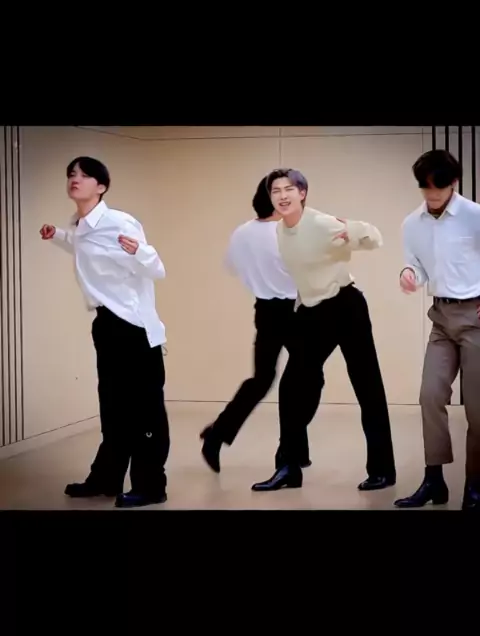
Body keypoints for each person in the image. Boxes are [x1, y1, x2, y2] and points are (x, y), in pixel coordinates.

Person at [251, 168, 396, 492]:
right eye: (276, 191)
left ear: (302, 193)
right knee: (291, 387)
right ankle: (289, 467)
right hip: (313, 311)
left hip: (346, 307)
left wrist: (352, 230)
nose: (282, 196)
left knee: (367, 387)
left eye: (289, 189)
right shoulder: (280, 231)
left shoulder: (319, 222)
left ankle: (383, 470)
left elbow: (374, 237)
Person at [40, 156, 170, 509]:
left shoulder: (118, 222)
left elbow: (157, 269)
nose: (75, 179)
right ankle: (106, 478)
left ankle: (151, 485)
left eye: (84, 175)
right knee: (113, 408)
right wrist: (58, 236)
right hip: (107, 324)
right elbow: (84, 245)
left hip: (134, 326)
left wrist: (141, 252)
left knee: (145, 412)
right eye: (71, 174)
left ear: (101, 186)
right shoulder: (81, 224)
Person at [200, 176, 312, 473]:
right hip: (294, 311)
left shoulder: (242, 232)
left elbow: (231, 266)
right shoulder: (284, 232)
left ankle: (218, 433)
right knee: (307, 378)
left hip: (264, 310)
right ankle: (293, 449)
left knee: (262, 379)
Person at [394, 149, 480, 511]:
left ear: (453, 183)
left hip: (476, 316)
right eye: (425, 187)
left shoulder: (474, 216)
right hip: (441, 318)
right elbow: (415, 265)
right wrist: (409, 274)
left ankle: (475, 484)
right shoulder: (411, 224)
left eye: (438, 187)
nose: (431, 194)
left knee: (477, 408)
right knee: (430, 395)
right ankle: (434, 480)